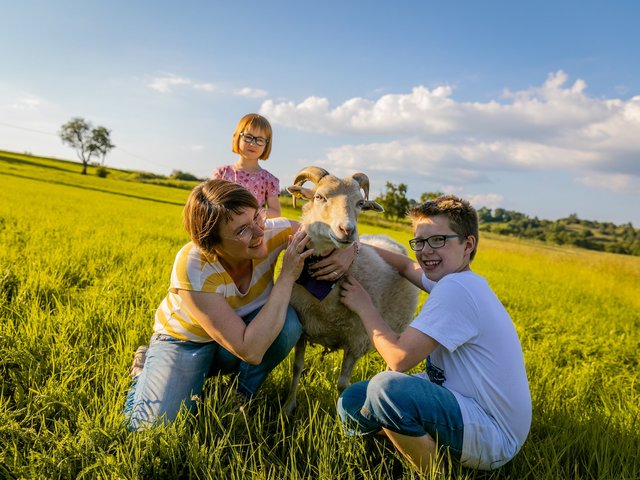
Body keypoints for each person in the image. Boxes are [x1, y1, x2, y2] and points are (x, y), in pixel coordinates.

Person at [125, 179, 354, 431]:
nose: (258, 232)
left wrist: (350, 249)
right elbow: (250, 351)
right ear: (212, 243)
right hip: (185, 343)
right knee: (154, 430)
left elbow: (323, 230)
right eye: (242, 230)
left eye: (258, 216)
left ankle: (238, 395)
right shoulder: (194, 263)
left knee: (288, 322)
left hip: (238, 336)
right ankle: (146, 366)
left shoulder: (273, 232)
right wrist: (287, 275)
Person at [336, 195, 531, 473]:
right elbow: (405, 266)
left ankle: (437, 472)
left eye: (438, 240)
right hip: (461, 406)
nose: (426, 251)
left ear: (468, 244)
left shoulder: (458, 290)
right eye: (420, 241)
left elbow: (399, 358)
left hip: (492, 434)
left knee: (385, 389)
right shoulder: (455, 281)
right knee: (353, 401)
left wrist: (364, 305)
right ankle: (420, 443)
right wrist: (352, 248)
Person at [211, 113, 281, 218]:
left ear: (267, 145)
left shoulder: (269, 180)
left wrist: (250, 210)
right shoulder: (221, 173)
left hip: (253, 232)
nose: (253, 144)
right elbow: (210, 203)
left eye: (260, 140)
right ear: (237, 137)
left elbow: (276, 213)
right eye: (248, 137)